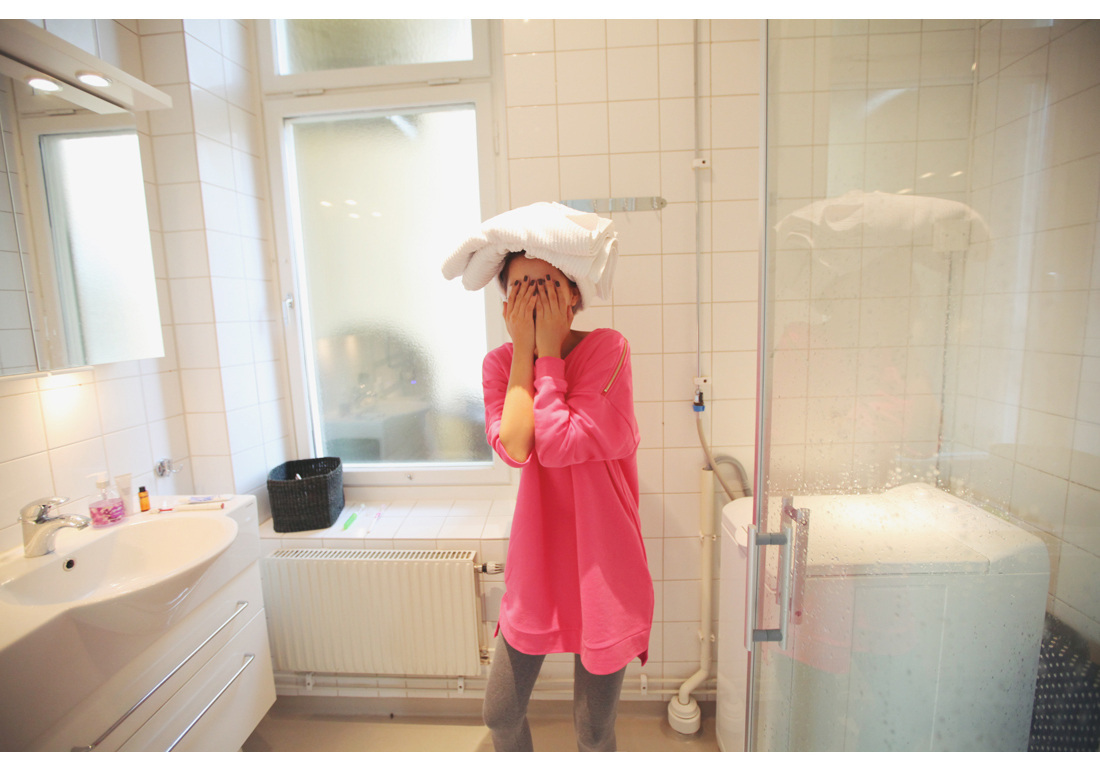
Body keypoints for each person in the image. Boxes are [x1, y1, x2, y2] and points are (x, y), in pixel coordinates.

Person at [478, 250, 653, 752]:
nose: (534, 297)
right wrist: (524, 353)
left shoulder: (608, 350)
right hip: (538, 563)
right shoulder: (499, 365)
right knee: (500, 713)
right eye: (521, 286)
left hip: (604, 568)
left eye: (547, 284)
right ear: (506, 304)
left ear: (573, 295)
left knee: (593, 731)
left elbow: (559, 445)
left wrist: (549, 354)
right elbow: (516, 448)